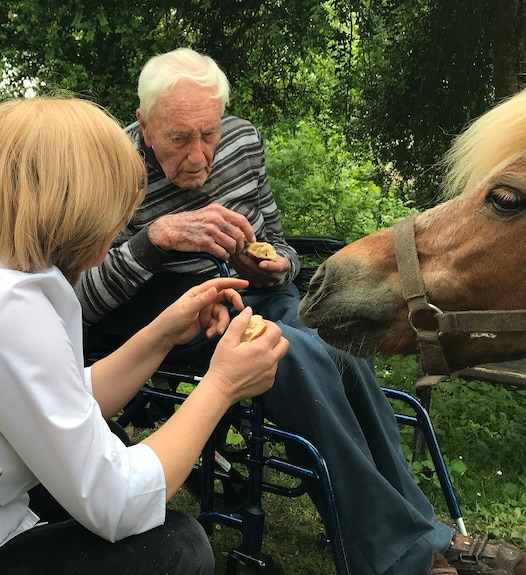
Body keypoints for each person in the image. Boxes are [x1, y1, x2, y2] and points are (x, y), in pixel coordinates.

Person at [75, 47, 526, 575]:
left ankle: (426, 534)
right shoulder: (109, 171)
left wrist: (270, 267)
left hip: (257, 295)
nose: (199, 155)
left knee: (340, 345)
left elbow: (282, 249)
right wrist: (153, 242)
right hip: (175, 320)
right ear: (145, 126)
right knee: (293, 354)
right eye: (179, 139)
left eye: (208, 134)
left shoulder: (241, 143)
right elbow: (84, 302)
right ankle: (400, 558)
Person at [0, 96, 288, 575]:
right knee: (176, 549)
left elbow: (64, 398)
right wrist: (223, 384)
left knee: (112, 439)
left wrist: (161, 333)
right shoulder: (8, 307)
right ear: (75, 206)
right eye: (115, 206)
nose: (120, 226)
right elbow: (117, 504)